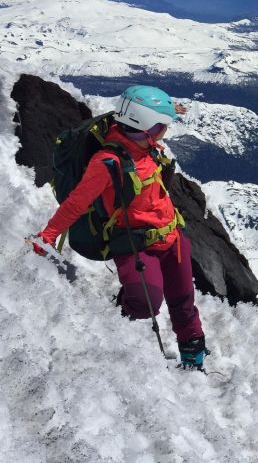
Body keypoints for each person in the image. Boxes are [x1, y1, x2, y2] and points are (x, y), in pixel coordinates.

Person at [33, 86, 208, 370]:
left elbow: (134, 110)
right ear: (147, 128)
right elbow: (76, 203)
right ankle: (119, 323)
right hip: (135, 244)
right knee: (144, 302)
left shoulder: (140, 139)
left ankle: (193, 356)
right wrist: (48, 235)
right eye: (162, 125)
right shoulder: (107, 163)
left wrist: (165, 110)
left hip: (172, 239)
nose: (165, 130)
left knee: (183, 301)